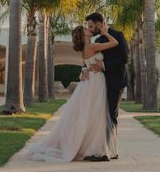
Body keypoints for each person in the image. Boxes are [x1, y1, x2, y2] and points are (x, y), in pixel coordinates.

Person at [26, 20, 120, 163]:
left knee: (91, 115)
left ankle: (94, 148)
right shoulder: (92, 46)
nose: (89, 28)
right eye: (86, 29)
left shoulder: (86, 49)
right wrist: (107, 33)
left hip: (91, 82)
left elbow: (88, 64)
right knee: (96, 114)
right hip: (95, 83)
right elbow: (115, 43)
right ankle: (94, 149)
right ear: (83, 35)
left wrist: (85, 69)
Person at [80, 12, 129, 161]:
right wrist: (83, 69)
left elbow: (124, 57)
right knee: (102, 115)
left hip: (116, 82)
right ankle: (106, 150)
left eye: (92, 25)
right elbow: (90, 56)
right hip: (101, 83)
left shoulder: (118, 35)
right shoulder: (99, 39)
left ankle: (107, 152)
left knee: (111, 115)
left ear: (100, 23)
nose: (91, 28)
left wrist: (104, 65)